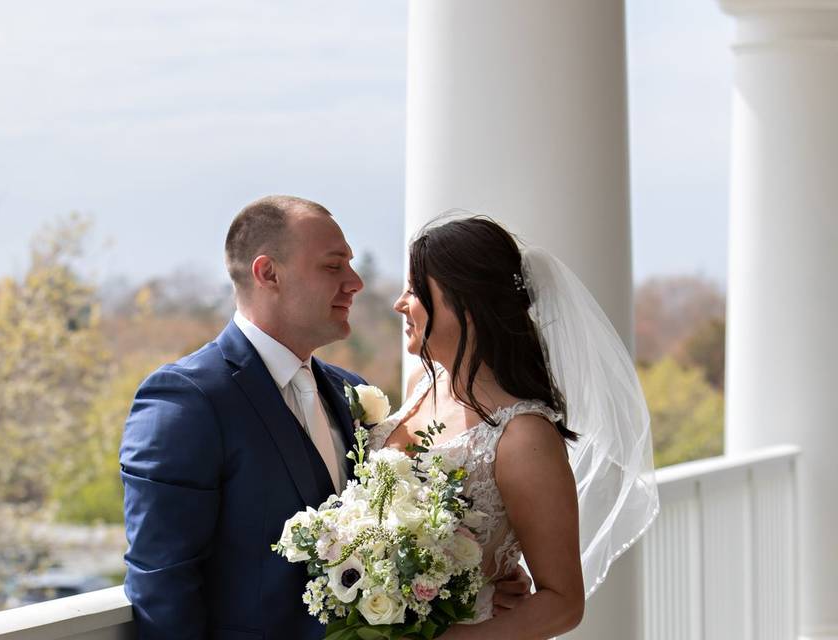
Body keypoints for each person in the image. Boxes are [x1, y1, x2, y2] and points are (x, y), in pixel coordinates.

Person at [120, 197, 534, 639]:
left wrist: (474, 588)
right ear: (268, 274)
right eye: (333, 266)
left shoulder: (349, 392)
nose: (355, 283)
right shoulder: (187, 400)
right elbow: (162, 585)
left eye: (351, 266)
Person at [371, 214, 659, 639]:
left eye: (414, 290)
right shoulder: (421, 383)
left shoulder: (524, 436)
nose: (400, 303)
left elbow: (562, 602)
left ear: (464, 304)